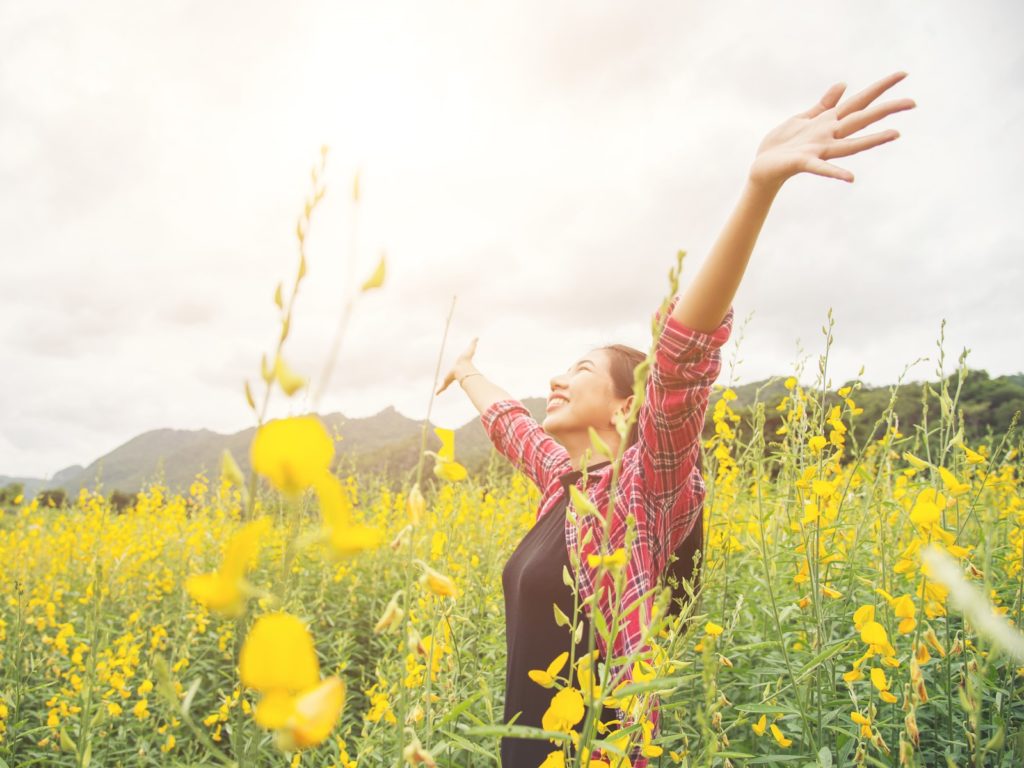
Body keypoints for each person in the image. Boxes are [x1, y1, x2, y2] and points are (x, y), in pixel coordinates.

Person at [437, 71, 916, 767]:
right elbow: (515, 427)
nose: (556, 379)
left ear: (627, 405)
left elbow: (683, 364)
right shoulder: (566, 490)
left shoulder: (643, 497)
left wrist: (758, 189)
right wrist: (467, 372)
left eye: (580, 368)